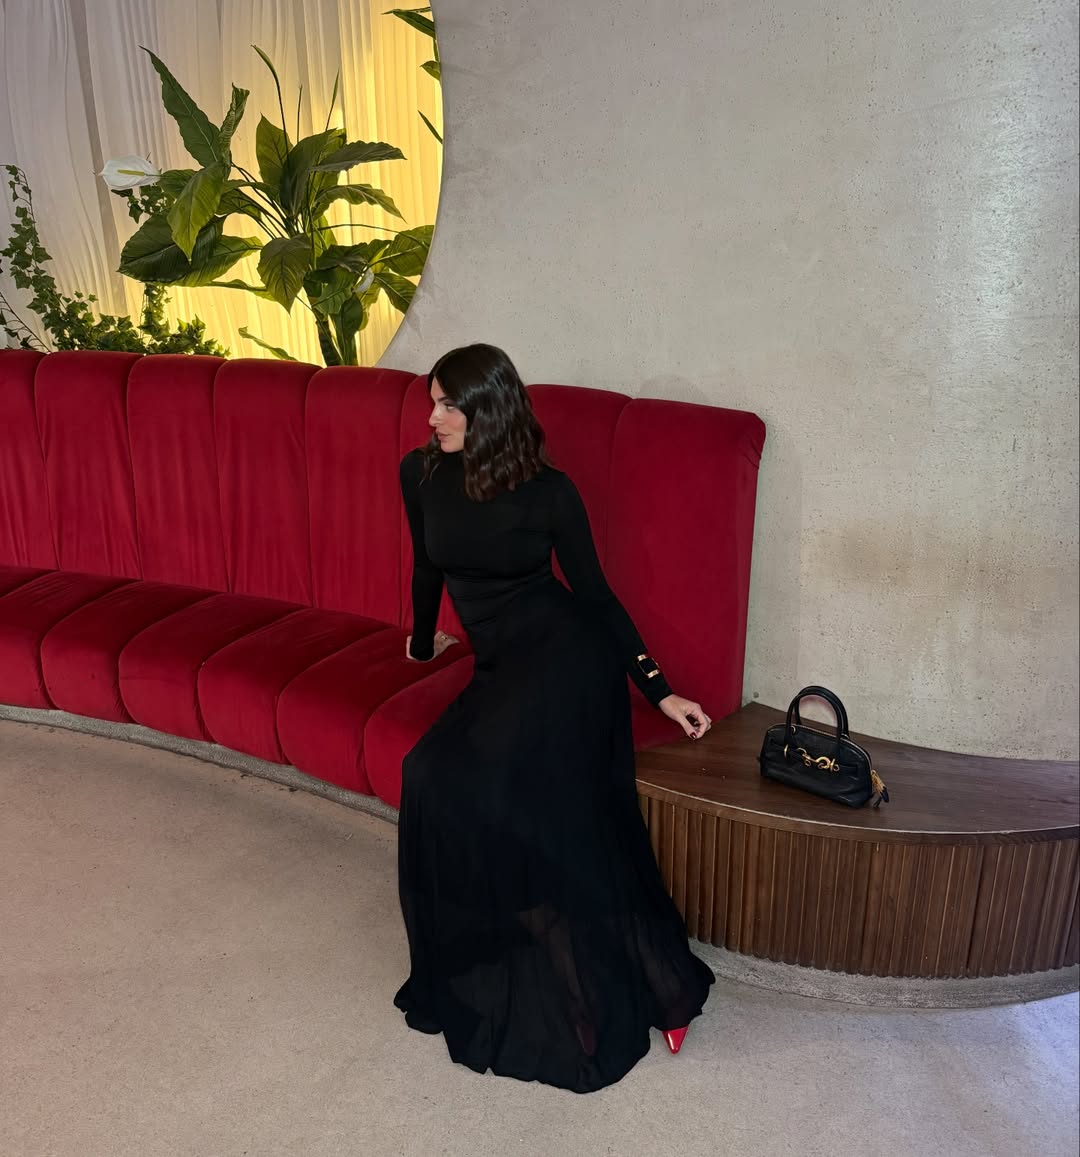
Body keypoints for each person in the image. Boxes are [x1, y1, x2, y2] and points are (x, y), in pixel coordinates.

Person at [394, 343, 715, 1093]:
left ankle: (628, 977)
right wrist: (420, 639)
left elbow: (596, 597)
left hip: (567, 660)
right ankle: (514, 934)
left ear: (489, 412)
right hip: (501, 666)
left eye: (448, 405)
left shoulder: (550, 493)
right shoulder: (420, 473)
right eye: (433, 401)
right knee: (428, 773)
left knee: (513, 797)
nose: (433, 416)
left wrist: (659, 690)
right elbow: (426, 565)